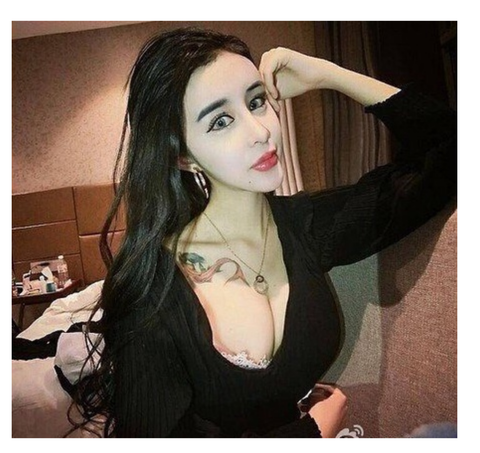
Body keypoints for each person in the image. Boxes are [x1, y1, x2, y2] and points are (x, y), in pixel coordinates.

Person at [70, 26, 457, 438]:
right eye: (221, 121)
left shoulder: (306, 224)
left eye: (256, 102)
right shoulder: (153, 284)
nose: (261, 131)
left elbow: (450, 155)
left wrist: (329, 74)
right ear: (182, 155)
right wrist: (311, 433)